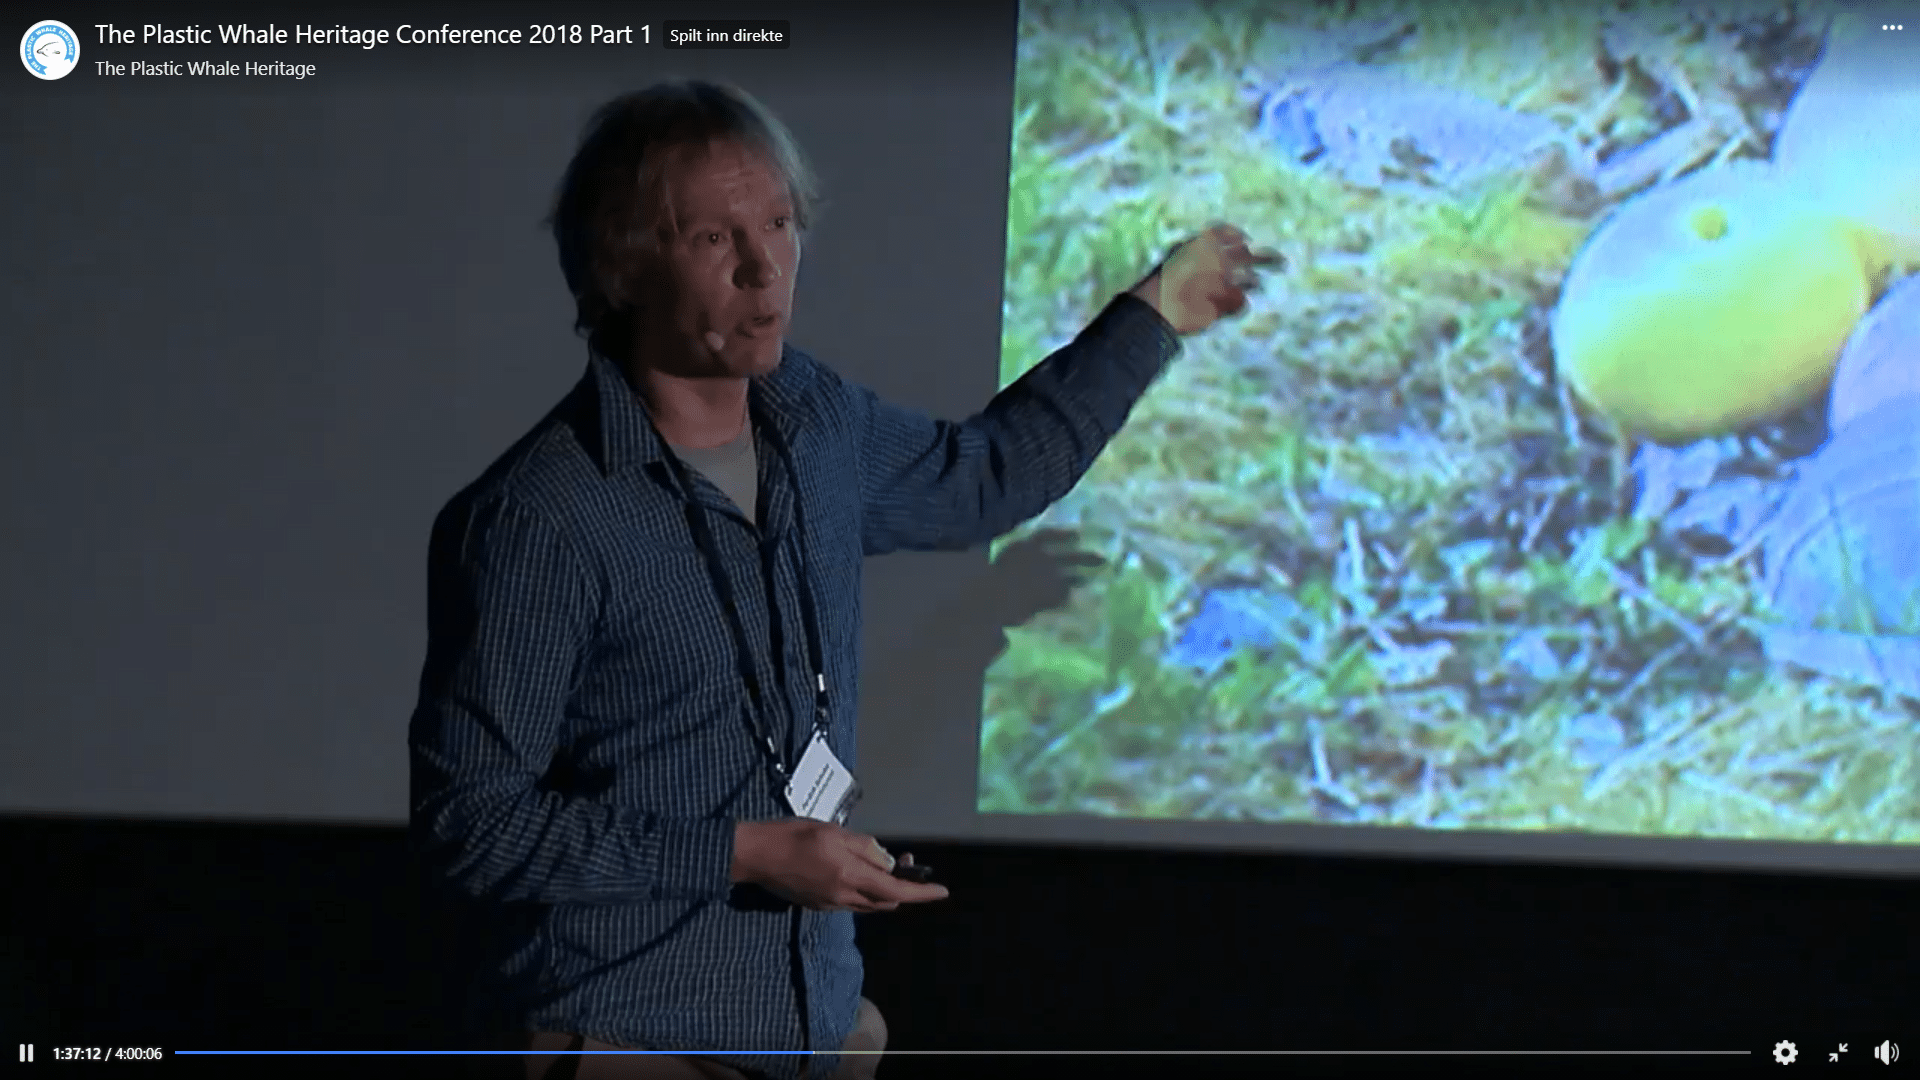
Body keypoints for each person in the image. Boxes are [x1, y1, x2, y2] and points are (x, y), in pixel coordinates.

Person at [408, 80, 1277, 1080]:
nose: (763, 266)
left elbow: (983, 478)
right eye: (713, 239)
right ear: (623, 264)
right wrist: (743, 852)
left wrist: (1153, 314)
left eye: (779, 222)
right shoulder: (543, 517)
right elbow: (471, 826)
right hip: (634, 1036)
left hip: (813, 1028)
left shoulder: (809, 422)